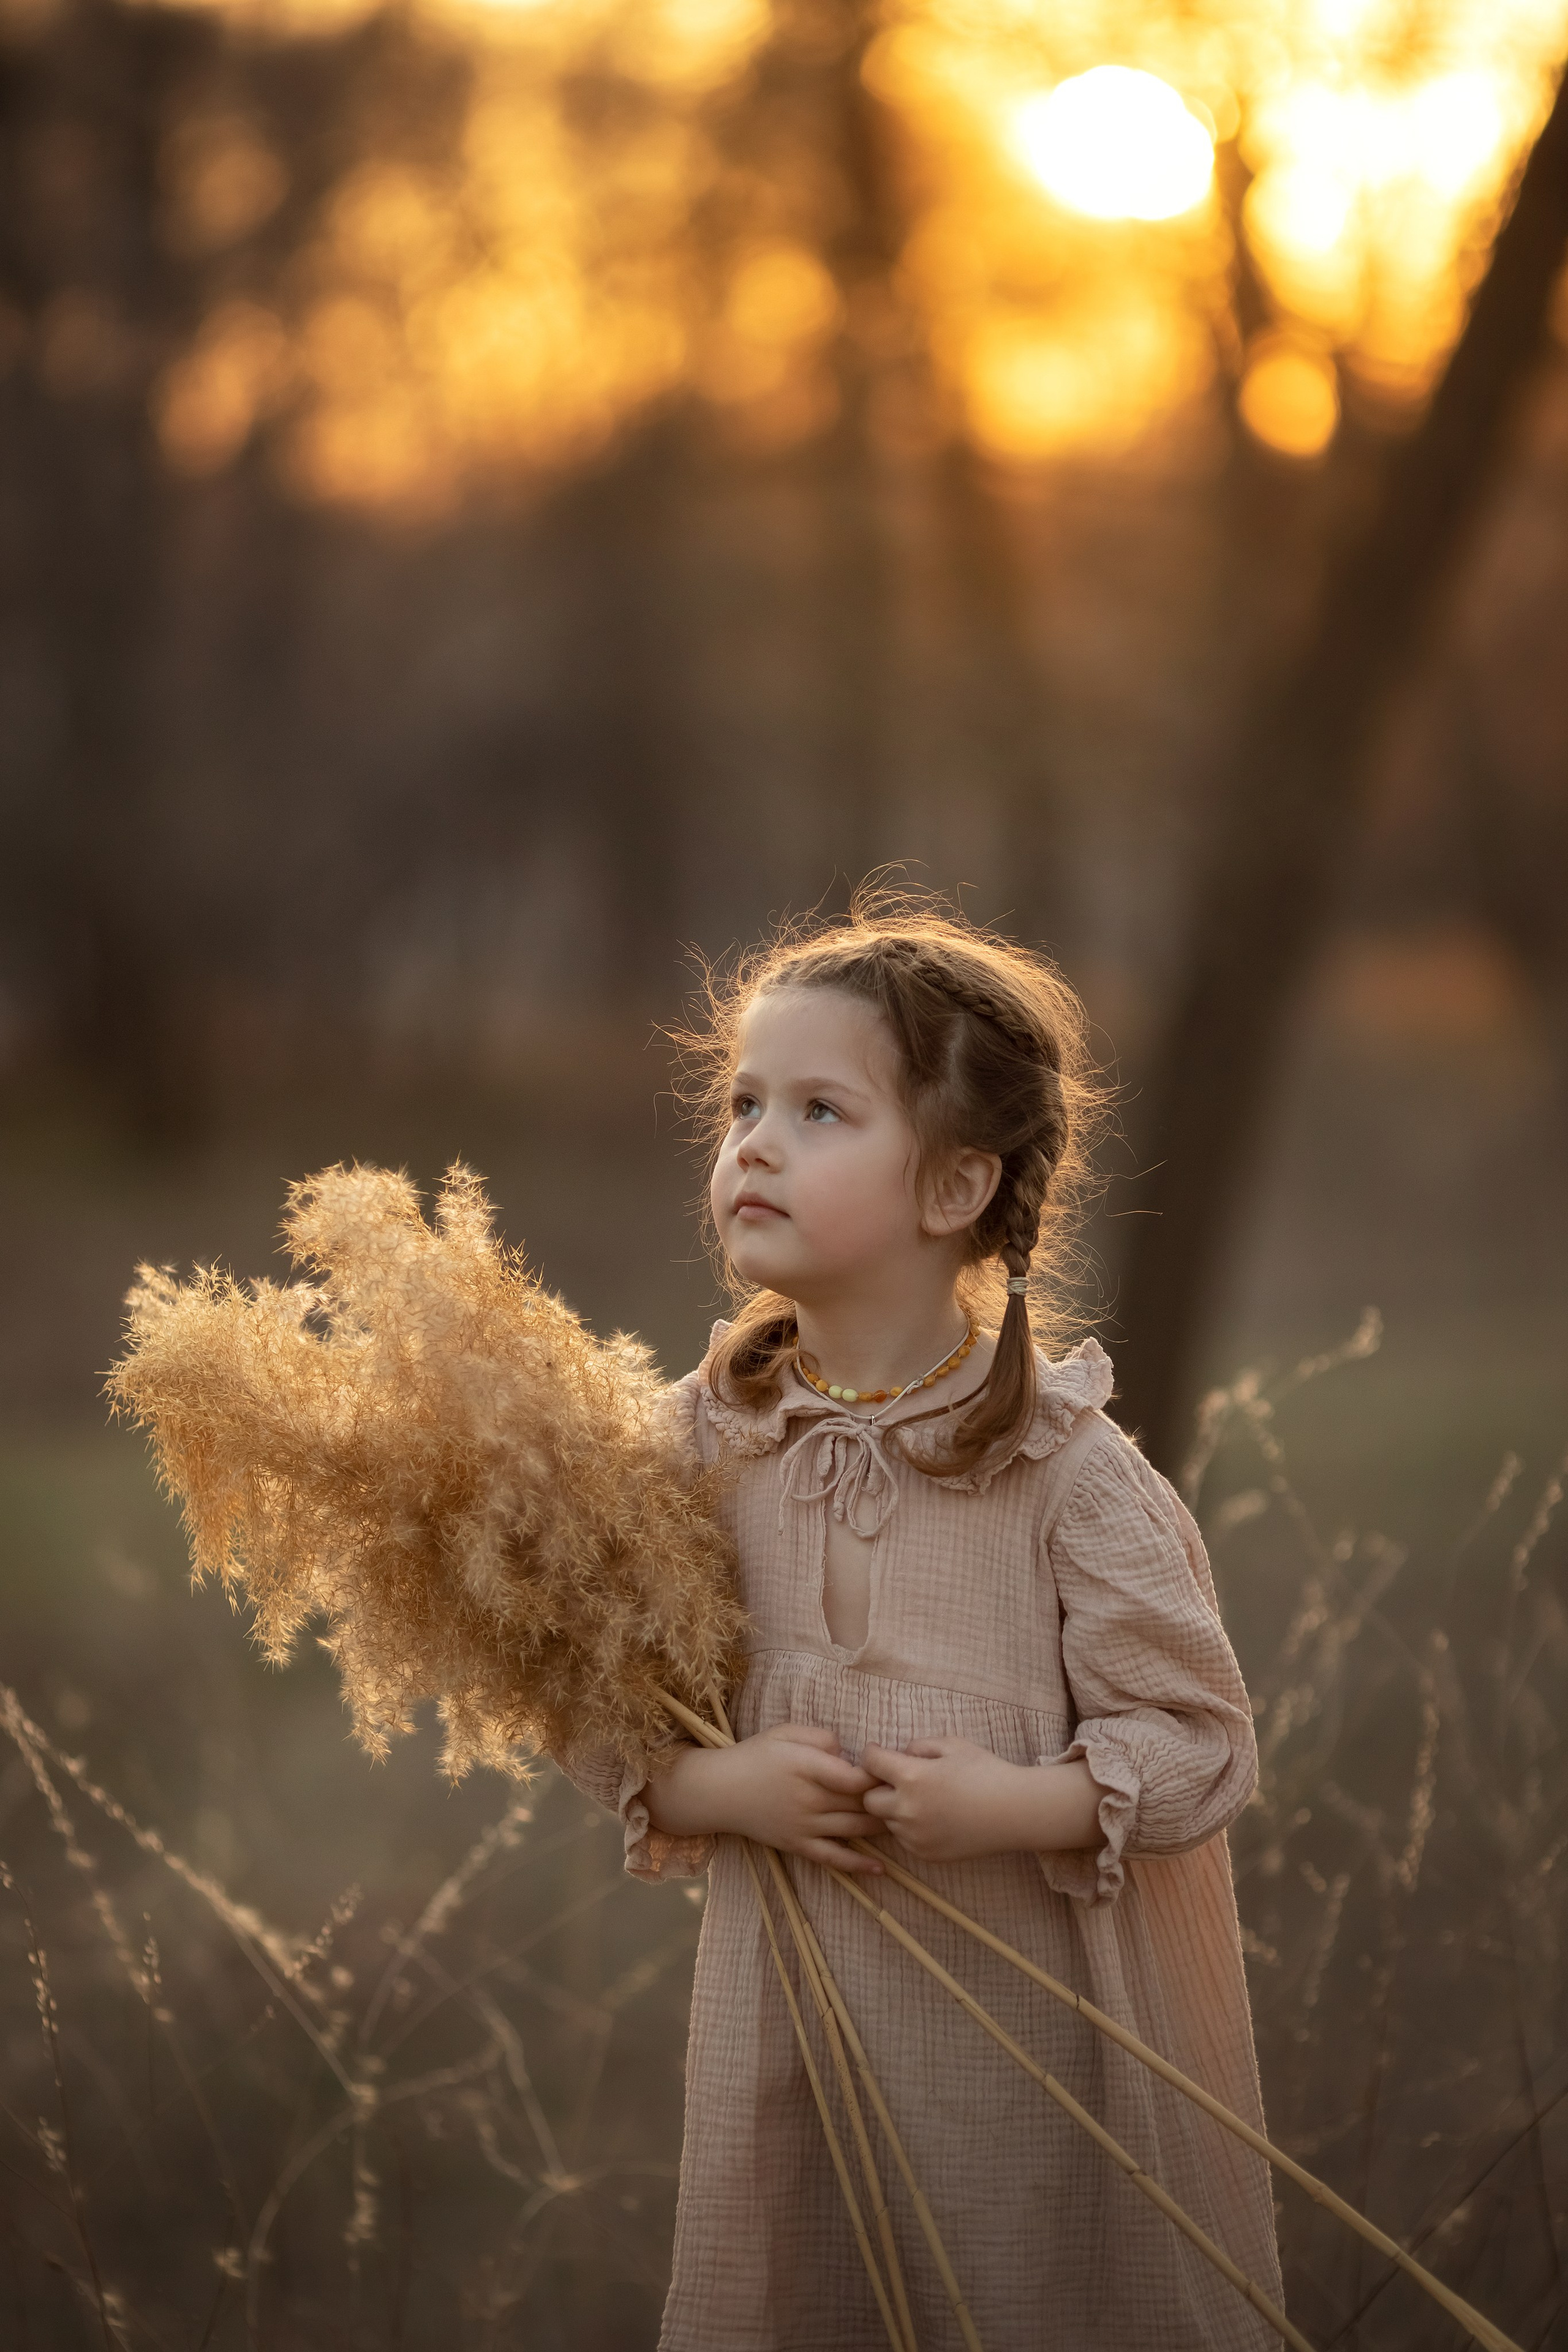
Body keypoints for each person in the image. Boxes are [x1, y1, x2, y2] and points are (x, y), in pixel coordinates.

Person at [570, 901, 1284, 2351]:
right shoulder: (690, 1453)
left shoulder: (1064, 1478)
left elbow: (1204, 1747)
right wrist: (715, 1786)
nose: (753, 1143)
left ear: (956, 1186)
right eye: (741, 1104)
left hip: (1022, 2066)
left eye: (818, 1110)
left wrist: (1015, 1801)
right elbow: (584, 1687)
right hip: (792, 2049)